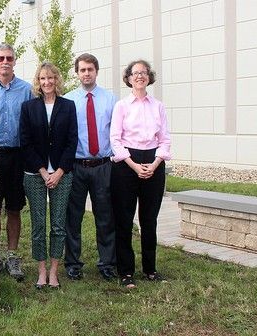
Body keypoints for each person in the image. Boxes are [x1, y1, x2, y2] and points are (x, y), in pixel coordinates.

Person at [110, 59, 171, 289]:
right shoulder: (121, 106)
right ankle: (126, 272)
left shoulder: (158, 106)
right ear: (128, 78)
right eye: (135, 73)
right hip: (126, 163)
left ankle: (150, 269)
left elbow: (165, 139)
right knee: (124, 220)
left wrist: (154, 164)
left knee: (149, 220)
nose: (139, 76)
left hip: (153, 162)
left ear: (149, 77)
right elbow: (115, 140)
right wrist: (135, 166)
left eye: (144, 73)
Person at [20, 62, 77, 289]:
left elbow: (72, 141)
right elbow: (25, 142)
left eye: (51, 78)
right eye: (43, 78)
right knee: (38, 224)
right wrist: (43, 171)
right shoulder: (28, 107)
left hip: (62, 174)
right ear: (38, 81)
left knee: (58, 225)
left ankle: (54, 270)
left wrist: (60, 171)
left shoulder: (68, 106)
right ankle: (41, 270)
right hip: (35, 173)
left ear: (57, 80)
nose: (47, 82)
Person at [0, 43, 32, 281]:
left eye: (9, 58)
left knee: (13, 207)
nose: (5, 62)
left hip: (17, 156)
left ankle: (12, 255)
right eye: (0, 58)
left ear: (15, 60)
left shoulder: (26, 90)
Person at [63, 53, 118, 281]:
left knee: (105, 217)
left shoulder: (110, 99)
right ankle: (73, 263)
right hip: (76, 166)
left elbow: (117, 132)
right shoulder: (67, 100)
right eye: (82, 70)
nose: (86, 73)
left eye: (90, 70)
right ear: (77, 73)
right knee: (73, 217)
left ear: (97, 71)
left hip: (103, 165)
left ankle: (107, 263)